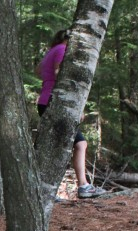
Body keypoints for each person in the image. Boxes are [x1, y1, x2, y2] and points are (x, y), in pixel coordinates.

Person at [37, 29, 107, 199]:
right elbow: (58, 73)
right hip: (55, 103)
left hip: (47, 102)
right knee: (80, 143)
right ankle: (83, 186)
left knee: (58, 145)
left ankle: (45, 189)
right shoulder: (61, 50)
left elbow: (40, 72)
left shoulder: (51, 51)